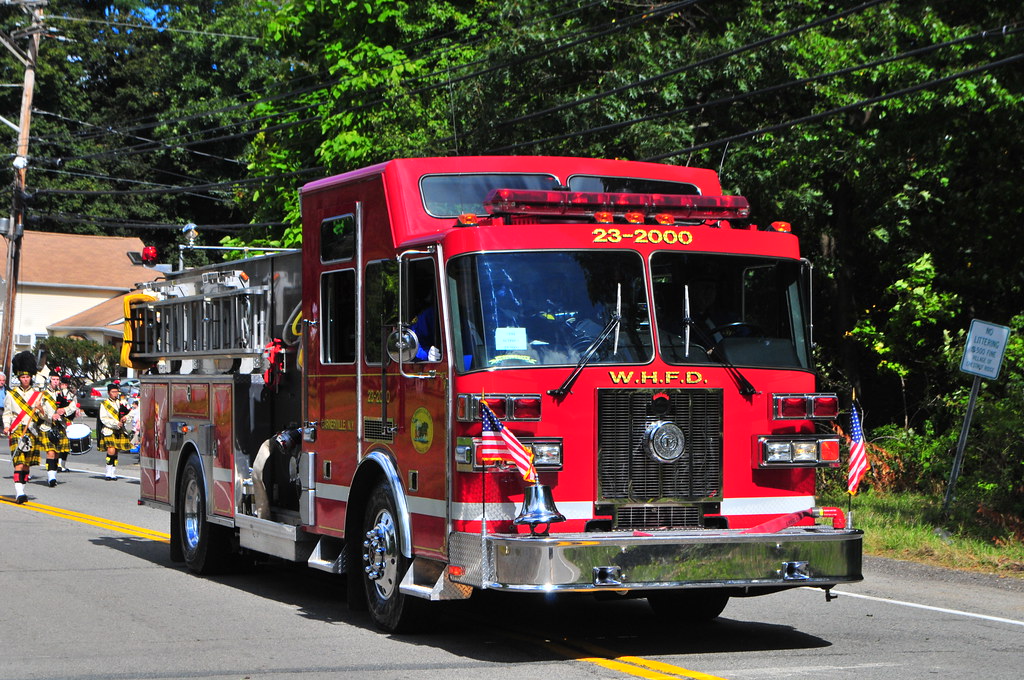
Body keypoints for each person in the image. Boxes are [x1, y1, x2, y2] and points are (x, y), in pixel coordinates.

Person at [2, 352, 46, 503]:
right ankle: (19, 492)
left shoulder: (38, 395)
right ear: (19, 378)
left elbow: (44, 418)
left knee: (27, 464)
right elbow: (7, 413)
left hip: (32, 430)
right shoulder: (12, 395)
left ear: (31, 378)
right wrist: (7, 426)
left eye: (27, 377)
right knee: (19, 463)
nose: (25, 379)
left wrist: (41, 410)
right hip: (17, 430)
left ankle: (22, 488)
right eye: (22, 377)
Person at [42, 370, 78, 479]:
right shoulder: (43, 394)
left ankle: (53, 475)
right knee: (50, 452)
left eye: (57, 379)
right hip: (48, 425)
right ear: (49, 380)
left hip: (61, 425)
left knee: (57, 452)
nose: (55, 381)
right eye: (53, 379)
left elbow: (73, 406)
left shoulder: (65, 393)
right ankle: (50, 477)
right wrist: (51, 416)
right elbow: (41, 410)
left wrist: (64, 410)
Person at [98, 382, 132, 481]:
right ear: (109, 393)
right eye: (113, 392)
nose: (115, 393)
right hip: (109, 429)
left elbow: (129, 414)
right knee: (111, 450)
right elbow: (103, 418)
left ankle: (113, 472)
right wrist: (115, 423)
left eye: (116, 391)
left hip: (120, 430)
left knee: (116, 451)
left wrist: (126, 419)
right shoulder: (104, 404)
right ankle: (108, 472)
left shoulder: (122, 402)